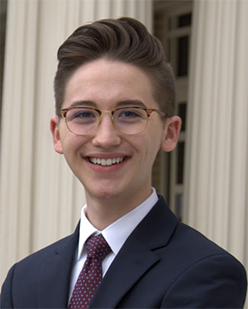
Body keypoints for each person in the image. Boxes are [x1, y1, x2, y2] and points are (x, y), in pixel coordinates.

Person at [0, 17, 247, 309]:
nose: (105, 138)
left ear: (169, 133)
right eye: (84, 114)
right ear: (57, 134)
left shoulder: (206, 273)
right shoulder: (23, 279)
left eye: (129, 113)